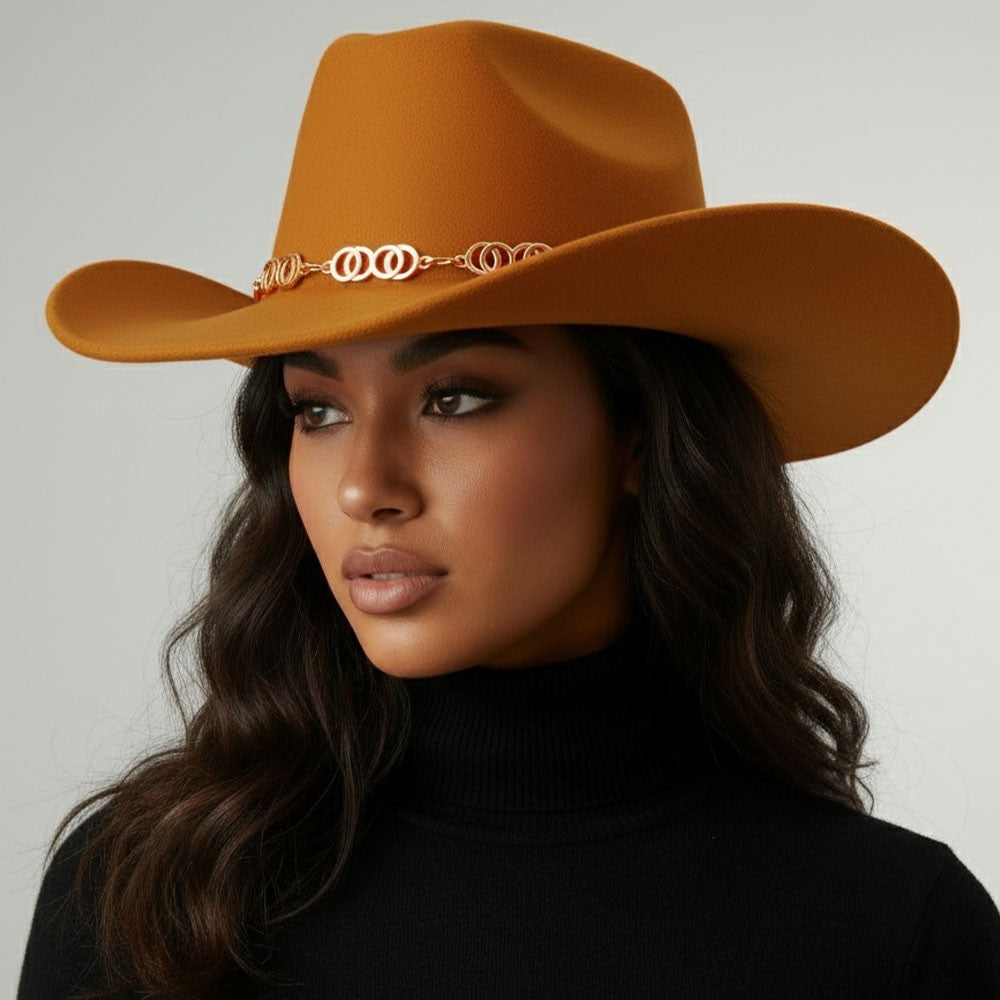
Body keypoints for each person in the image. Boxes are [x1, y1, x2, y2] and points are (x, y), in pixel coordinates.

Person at [18, 17, 1000, 1000]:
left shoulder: (889, 932)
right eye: (317, 408)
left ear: (642, 437)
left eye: (453, 397)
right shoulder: (146, 890)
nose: (365, 484)